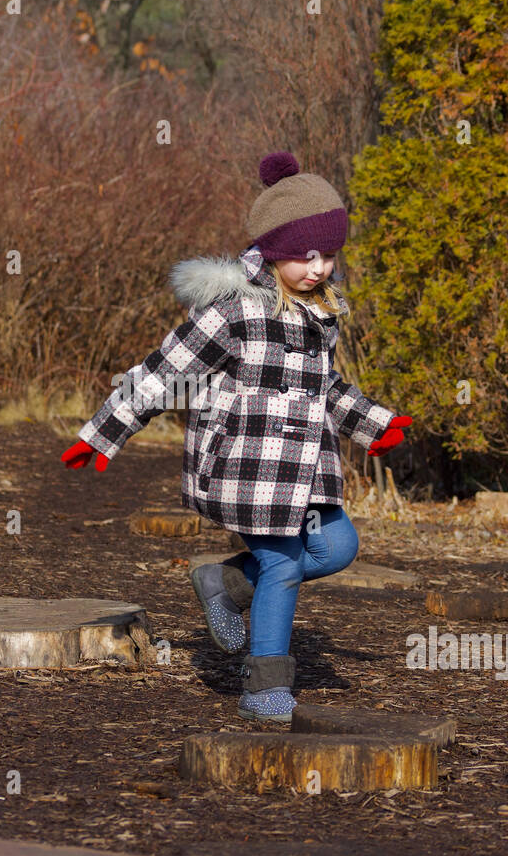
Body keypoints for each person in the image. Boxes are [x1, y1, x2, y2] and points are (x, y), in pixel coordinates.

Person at [61, 152, 411, 724]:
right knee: (284, 564)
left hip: (303, 467)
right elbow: (165, 370)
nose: (317, 268)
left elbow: (326, 388)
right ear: (274, 250)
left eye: (327, 255)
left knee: (338, 547)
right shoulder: (236, 311)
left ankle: (222, 581)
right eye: (303, 256)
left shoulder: (320, 313)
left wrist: (375, 424)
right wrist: (105, 432)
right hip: (247, 467)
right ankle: (264, 686)